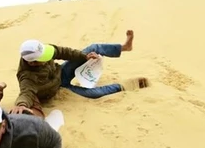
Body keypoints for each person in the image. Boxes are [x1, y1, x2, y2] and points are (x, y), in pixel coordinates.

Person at [10, 30, 149, 116]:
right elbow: (25, 93)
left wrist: (84, 57)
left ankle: (124, 47)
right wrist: (21, 105)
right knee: (95, 94)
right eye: (43, 59)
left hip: (61, 72)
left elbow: (64, 52)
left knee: (93, 48)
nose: (47, 57)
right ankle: (122, 86)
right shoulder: (27, 76)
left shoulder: (42, 49)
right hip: (58, 89)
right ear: (32, 62)